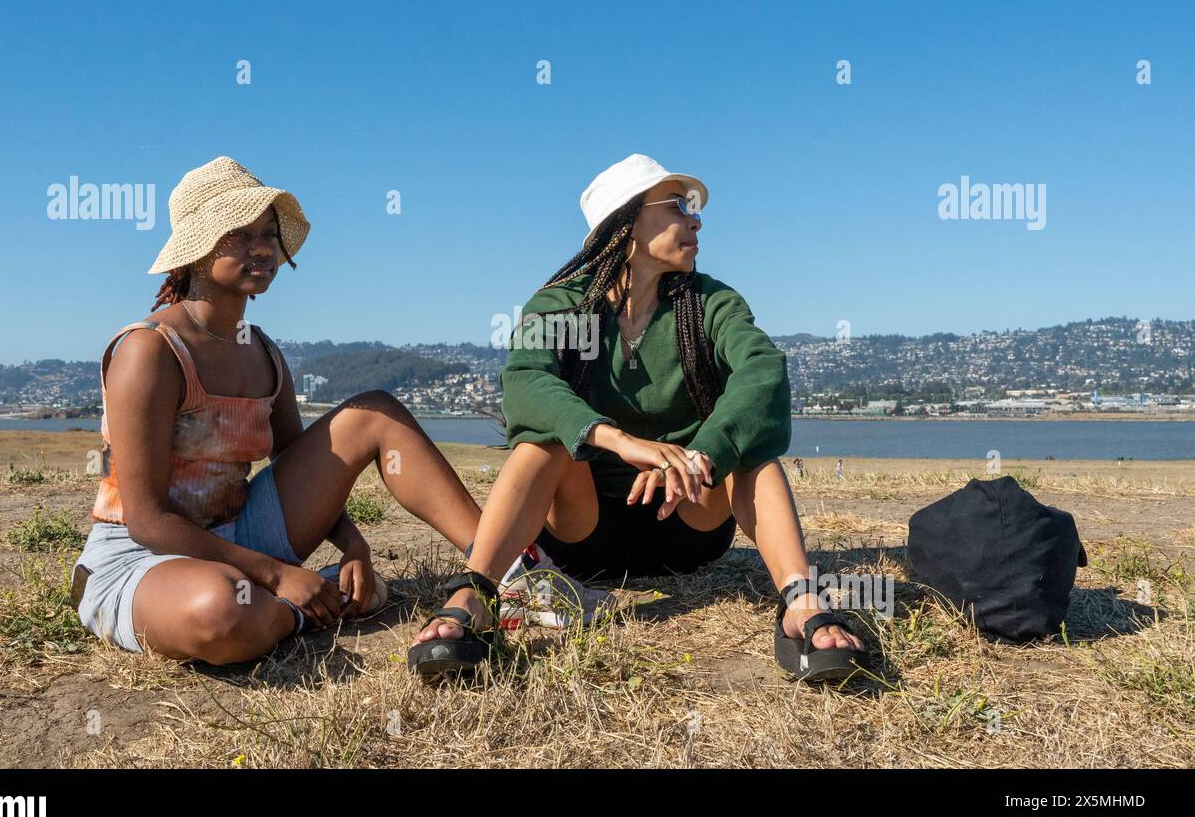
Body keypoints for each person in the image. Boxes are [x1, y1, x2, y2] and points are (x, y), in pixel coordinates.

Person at [407, 154, 868, 683]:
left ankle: (800, 604)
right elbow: (526, 383)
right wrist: (619, 441)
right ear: (624, 223)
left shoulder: (710, 303)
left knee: (752, 448)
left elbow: (762, 374)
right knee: (544, 440)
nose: (696, 221)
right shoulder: (560, 305)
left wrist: (703, 453)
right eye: (678, 206)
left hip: (688, 521)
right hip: (582, 531)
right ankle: (477, 594)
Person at [70, 156, 482, 664]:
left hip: (240, 534)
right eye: (240, 234)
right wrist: (278, 575)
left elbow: (298, 460)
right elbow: (148, 522)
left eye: (268, 233)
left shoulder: (262, 351)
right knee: (221, 613)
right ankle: (300, 606)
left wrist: (354, 545)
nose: (263, 247)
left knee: (373, 411)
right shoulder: (150, 350)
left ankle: (501, 571)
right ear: (197, 249)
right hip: (145, 558)